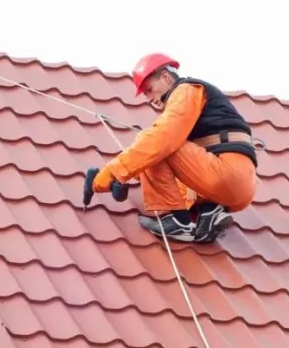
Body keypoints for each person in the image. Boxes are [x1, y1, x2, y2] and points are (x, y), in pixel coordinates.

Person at [87, 53, 258, 242]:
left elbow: (160, 141)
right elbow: (163, 164)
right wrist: (124, 177)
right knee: (157, 155)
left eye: (149, 89)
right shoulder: (197, 102)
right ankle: (210, 212)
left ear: (166, 77)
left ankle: (178, 221)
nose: (149, 98)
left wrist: (111, 173)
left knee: (153, 142)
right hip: (239, 187)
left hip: (223, 174)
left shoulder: (185, 90)